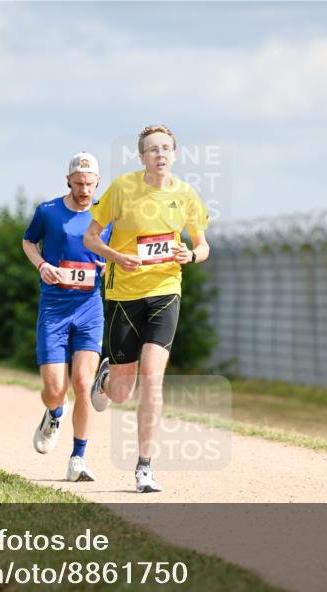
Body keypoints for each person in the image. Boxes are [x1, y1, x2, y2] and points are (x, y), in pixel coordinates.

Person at [83, 125, 211, 493]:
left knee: (153, 379)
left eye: (166, 148)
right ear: (141, 157)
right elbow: (91, 237)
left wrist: (191, 255)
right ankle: (107, 379)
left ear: (174, 154)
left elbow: (204, 246)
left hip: (165, 290)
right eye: (152, 149)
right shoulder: (122, 188)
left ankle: (144, 468)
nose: (160, 154)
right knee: (124, 391)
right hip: (124, 294)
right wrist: (115, 256)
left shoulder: (186, 195)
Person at [22, 152, 110, 482]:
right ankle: (54, 413)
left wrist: (108, 264)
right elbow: (28, 241)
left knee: (84, 384)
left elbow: (113, 253)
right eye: (79, 183)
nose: (85, 189)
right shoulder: (48, 212)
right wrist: (42, 265)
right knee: (54, 389)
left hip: (89, 308)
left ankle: (78, 458)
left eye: (90, 184)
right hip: (54, 309)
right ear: (68, 180)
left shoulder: (107, 216)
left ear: (97, 182)